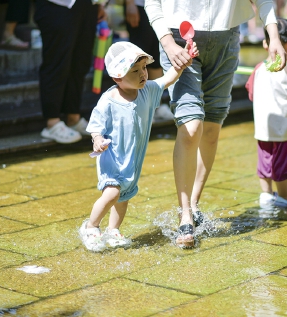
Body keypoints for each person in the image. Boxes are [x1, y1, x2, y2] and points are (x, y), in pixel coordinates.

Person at [144, 0, 286, 248]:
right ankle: (185, 214)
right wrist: (167, 43)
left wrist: (273, 35)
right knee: (191, 126)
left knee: (210, 129)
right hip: (178, 38)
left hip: (225, 38)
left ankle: (194, 203)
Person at [78, 41, 198, 252]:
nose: (143, 74)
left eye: (143, 68)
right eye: (135, 70)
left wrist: (182, 63)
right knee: (112, 193)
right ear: (117, 77)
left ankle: (113, 230)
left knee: (124, 196)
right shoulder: (108, 101)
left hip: (132, 160)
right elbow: (95, 126)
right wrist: (97, 139)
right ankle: (91, 226)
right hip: (112, 158)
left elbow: (168, 78)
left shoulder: (147, 91)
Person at [245, 18, 287, 208]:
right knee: (283, 166)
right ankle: (284, 198)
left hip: (263, 127)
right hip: (285, 130)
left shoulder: (258, 69)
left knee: (265, 162)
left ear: (265, 43)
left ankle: (266, 196)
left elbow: (251, 92)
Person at [35, 0, 105, 144]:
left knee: (80, 62)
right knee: (57, 60)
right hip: (57, 5)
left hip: (87, 5)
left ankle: (73, 117)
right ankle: (52, 122)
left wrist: (100, 4)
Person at [123, 0, 173, 122]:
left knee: (156, 60)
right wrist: (130, 3)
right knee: (138, 61)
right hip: (140, 7)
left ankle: (156, 105)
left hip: (163, 9)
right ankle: (138, 107)